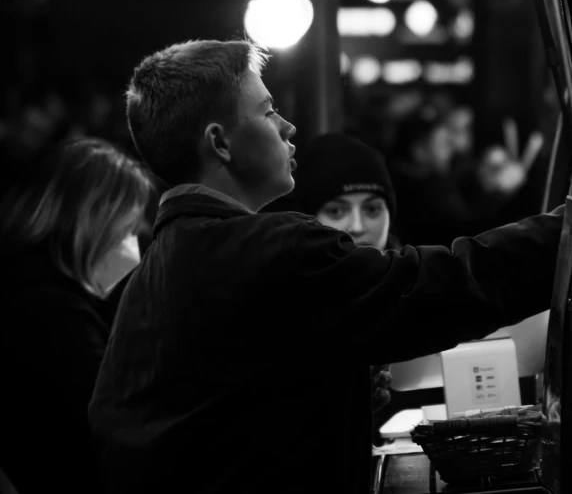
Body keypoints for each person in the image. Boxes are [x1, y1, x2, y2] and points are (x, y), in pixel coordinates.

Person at [88, 39, 563, 494]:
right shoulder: (269, 248)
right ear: (221, 143)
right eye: (268, 110)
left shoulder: (155, 269)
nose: (287, 126)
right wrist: (563, 233)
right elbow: (437, 290)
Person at [0, 138, 151, 494]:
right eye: (129, 229)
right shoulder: (56, 317)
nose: (134, 246)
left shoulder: (23, 285)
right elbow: (113, 434)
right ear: (95, 222)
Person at [293, 131, 397, 437]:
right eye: (337, 211)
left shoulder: (408, 283)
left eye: (372, 209)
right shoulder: (293, 304)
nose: (358, 226)